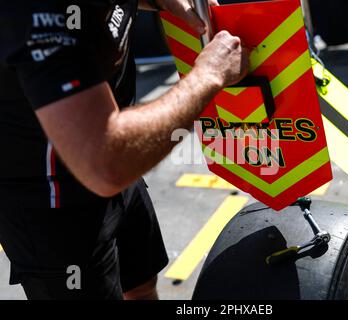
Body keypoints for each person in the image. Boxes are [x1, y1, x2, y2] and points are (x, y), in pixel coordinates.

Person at [0, 0, 249, 299]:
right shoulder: (37, 12)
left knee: (141, 287)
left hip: (119, 157)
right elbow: (107, 161)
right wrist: (208, 77)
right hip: (56, 205)